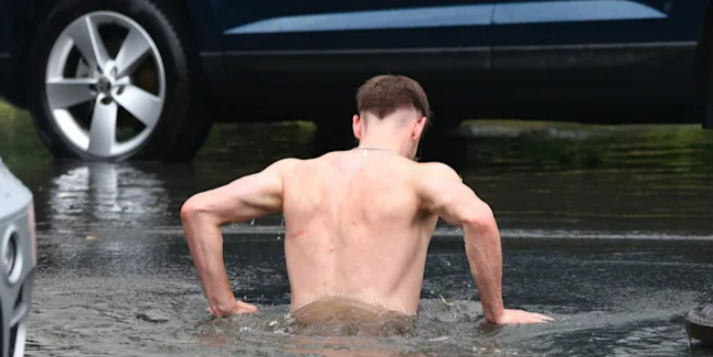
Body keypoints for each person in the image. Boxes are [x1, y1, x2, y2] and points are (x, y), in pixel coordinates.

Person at [181, 74, 552, 325]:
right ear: (418, 127)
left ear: (357, 125)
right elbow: (480, 220)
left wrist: (224, 305)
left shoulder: (293, 173)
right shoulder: (425, 177)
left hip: (302, 349)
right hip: (386, 351)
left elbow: (197, 210)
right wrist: (496, 313)